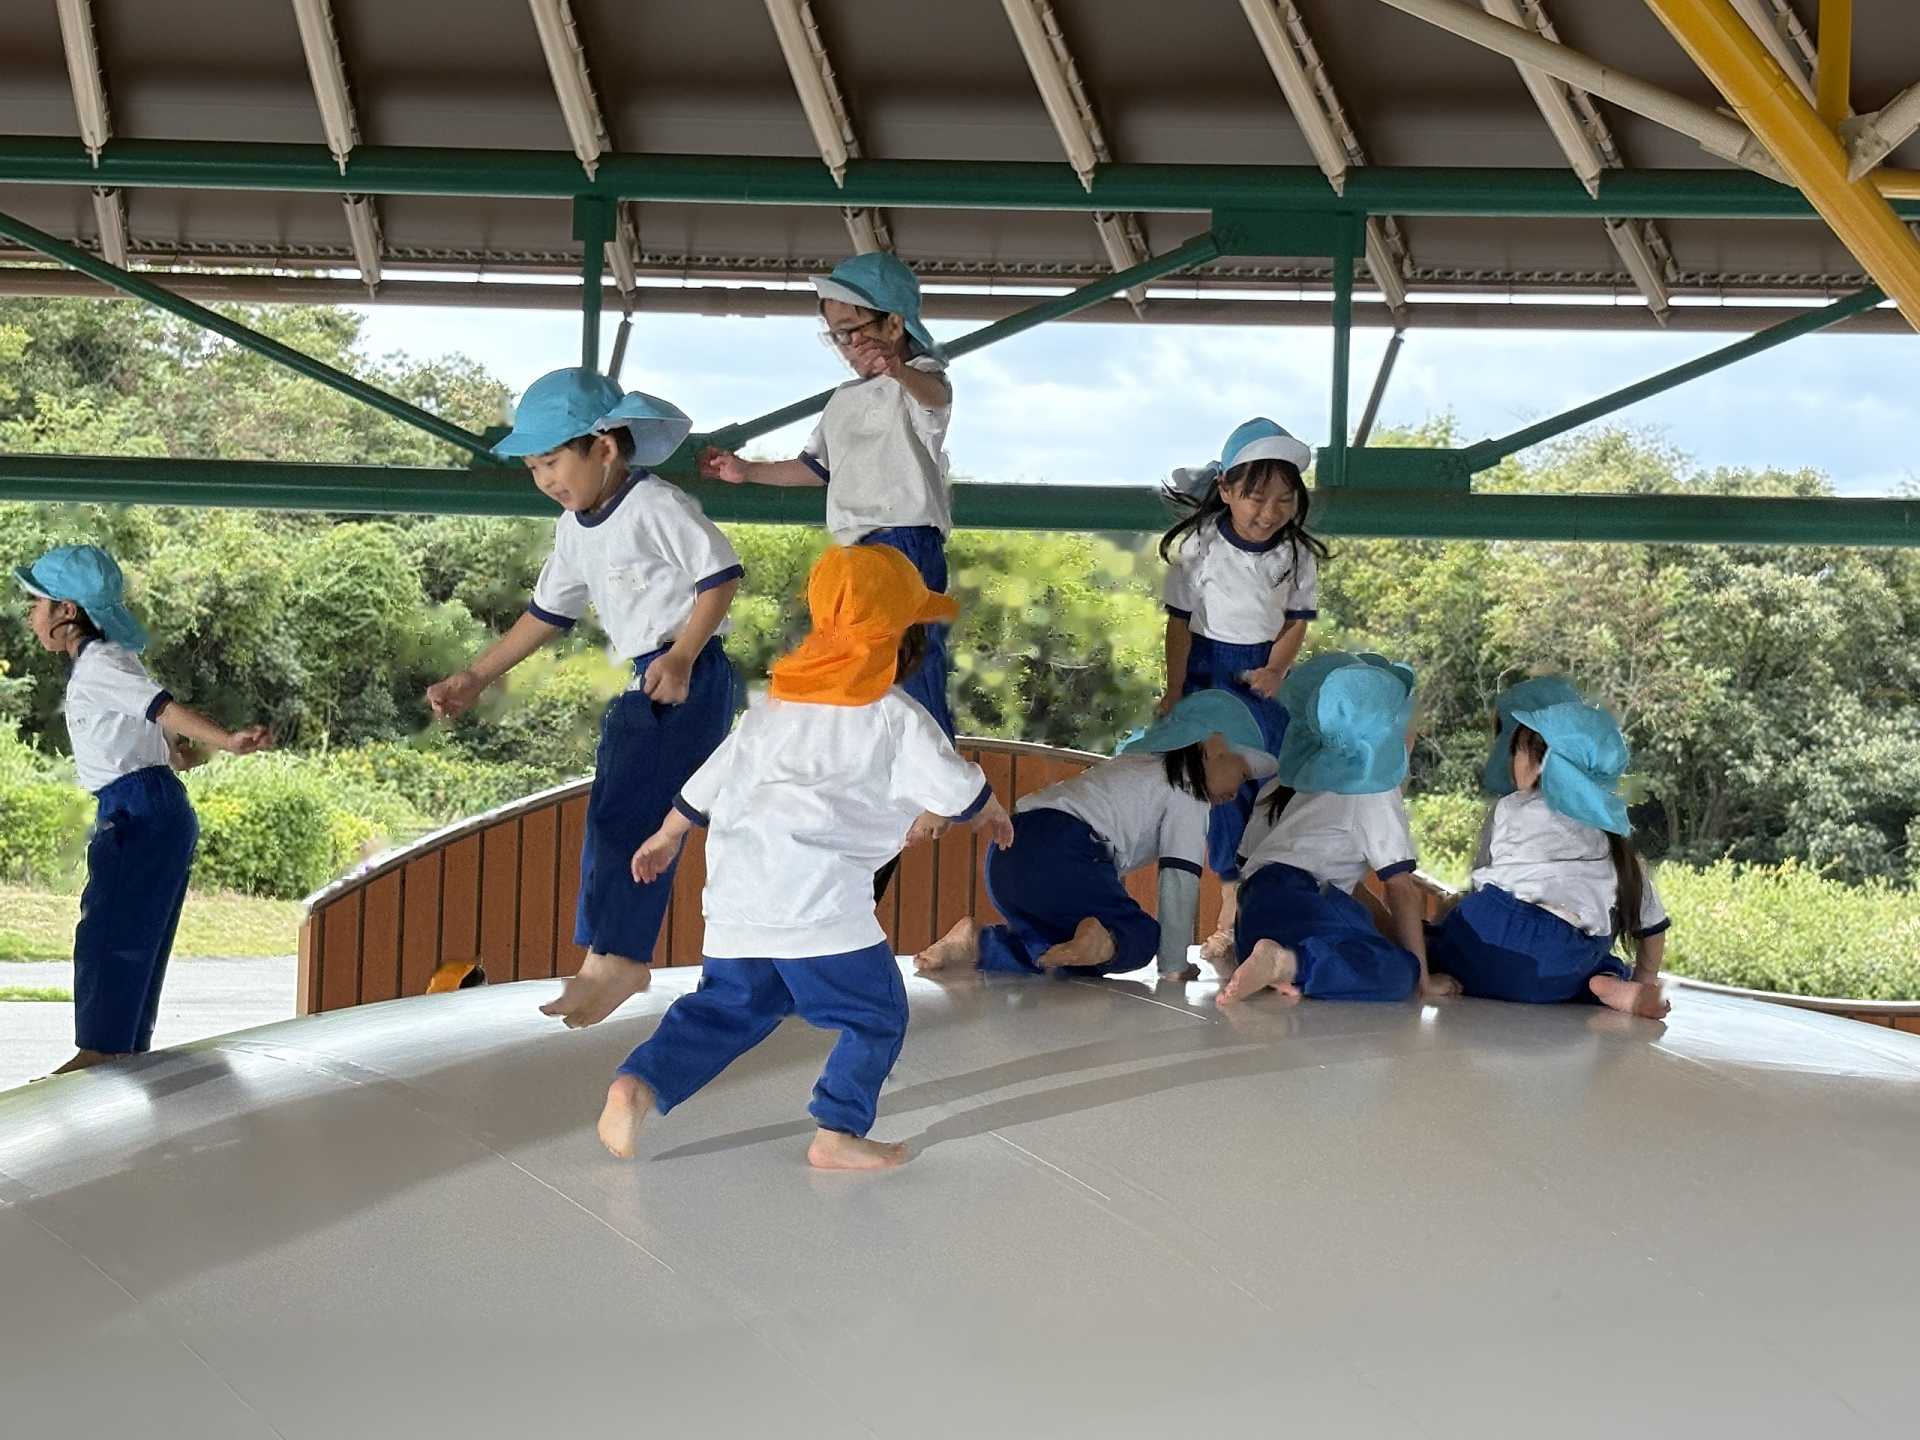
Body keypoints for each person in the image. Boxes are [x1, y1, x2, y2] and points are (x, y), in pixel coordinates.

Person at [599, 545, 1013, 1171]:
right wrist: (990, 810)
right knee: (874, 1014)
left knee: (730, 1007)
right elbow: (956, 787)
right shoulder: (894, 716)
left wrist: (667, 834)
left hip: (737, 899)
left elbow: (712, 777)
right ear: (903, 641)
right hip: (817, 903)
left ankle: (639, 1084)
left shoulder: (773, 709)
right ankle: (837, 1131)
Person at [427, 368, 741, 1028]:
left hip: (687, 669)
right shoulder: (576, 526)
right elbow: (547, 613)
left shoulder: (655, 505)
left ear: (603, 448)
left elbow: (720, 575)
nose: (544, 480)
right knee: (609, 818)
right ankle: (606, 956)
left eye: (552, 462)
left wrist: (684, 655)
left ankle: (620, 959)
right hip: (650, 672)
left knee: (634, 816)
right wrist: (476, 676)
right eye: (534, 469)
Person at [15, 543, 271, 1073]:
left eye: (36, 602)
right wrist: (183, 752)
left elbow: (164, 709)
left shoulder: (100, 664)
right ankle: (123, 1048)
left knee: (109, 931)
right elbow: (151, 729)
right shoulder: (110, 661)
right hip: (152, 800)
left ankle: (101, 1049)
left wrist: (226, 741)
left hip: (139, 805)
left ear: (67, 611)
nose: (30, 614)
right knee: (136, 930)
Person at [697, 251, 956, 738]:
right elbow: (814, 468)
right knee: (850, 667)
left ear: (894, 324)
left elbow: (935, 398)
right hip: (851, 553)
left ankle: (936, 770)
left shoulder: (919, 378)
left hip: (905, 542)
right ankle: (861, 760)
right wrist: (746, 471)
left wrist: (897, 370)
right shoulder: (843, 399)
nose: (847, 346)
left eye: (853, 330)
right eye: (837, 335)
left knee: (911, 662)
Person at [914, 691, 1275, 982]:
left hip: (1008, 851)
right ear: (1212, 747)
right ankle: (1099, 938)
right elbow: (1178, 882)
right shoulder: (1189, 796)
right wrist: (1173, 964)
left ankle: (978, 944)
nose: (1237, 791)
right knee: (1139, 935)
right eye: (1242, 774)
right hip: (1064, 849)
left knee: (1062, 945)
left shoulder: (1131, 765)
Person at [1157, 417, 1327, 970]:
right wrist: (1175, 689)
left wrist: (1276, 670)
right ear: (1226, 489)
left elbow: (1296, 622)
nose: (1270, 512)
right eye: (1256, 497)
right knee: (1219, 789)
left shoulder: (1296, 554)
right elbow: (1179, 624)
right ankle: (1229, 910)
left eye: (1284, 499)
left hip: (1263, 678)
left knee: (1271, 787)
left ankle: (1263, 910)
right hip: (1209, 672)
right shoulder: (1200, 545)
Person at [1220, 652, 1458, 1006]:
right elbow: (1401, 888)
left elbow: (1341, 889)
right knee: (1398, 972)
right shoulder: (1373, 788)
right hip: (1301, 899)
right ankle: (1288, 964)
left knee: (1353, 935)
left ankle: (1276, 961)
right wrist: (1422, 979)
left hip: (1256, 909)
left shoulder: (1302, 779)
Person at [1427, 689, 1670, 1018]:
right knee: (1596, 962)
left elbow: (1484, 882)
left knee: (1443, 934)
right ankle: (1612, 985)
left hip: (1488, 935)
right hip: (1558, 961)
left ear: (1542, 766)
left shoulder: (1509, 807)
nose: (1512, 760)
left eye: (1517, 751)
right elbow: (1653, 926)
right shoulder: (1613, 840)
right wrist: (1646, 976)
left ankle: (1434, 962)